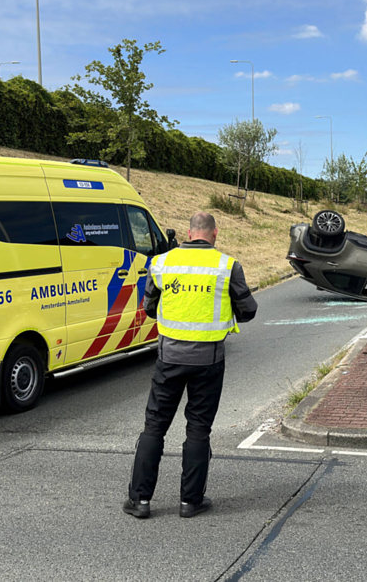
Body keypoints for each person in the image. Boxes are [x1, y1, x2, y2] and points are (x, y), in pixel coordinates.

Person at [123, 211, 258, 519]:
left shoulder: (161, 263)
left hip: (169, 358)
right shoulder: (228, 266)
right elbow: (249, 310)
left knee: (154, 426)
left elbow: (149, 308)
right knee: (198, 428)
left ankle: (140, 500)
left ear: (188, 232)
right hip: (209, 361)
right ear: (214, 233)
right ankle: (190, 502)